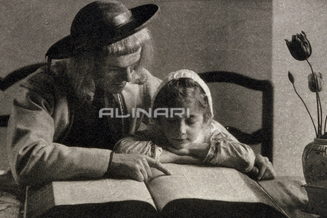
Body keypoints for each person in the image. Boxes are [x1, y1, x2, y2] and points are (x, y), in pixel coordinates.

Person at [7, 0, 171, 186]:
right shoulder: (41, 89)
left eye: (133, 64)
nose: (128, 77)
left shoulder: (139, 80)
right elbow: (27, 160)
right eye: (113, 69)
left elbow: (188, 117)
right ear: (86, 64)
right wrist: (111, 161)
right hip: (54, 194)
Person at [114, 69, 275, 180]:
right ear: (159, 119)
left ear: (205, 119)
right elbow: (122, 148)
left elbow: (245, 157)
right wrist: (179, 156)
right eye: (171, 120)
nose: (181, 130)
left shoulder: (211, 130)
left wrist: (189, 149)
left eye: (190, 121)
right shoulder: (158, 131)